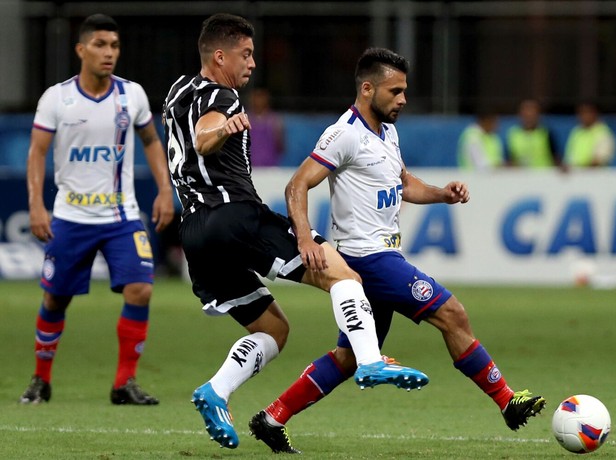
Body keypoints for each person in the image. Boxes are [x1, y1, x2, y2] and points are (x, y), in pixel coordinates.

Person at [248, 48, 546, 454]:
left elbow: (403, 182)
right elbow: (297, 185)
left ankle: (272, 417)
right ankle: (507, 400)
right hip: (367, 261)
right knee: (452, 313)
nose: (403, 99)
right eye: (396, 91)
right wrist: (304, 238)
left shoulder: (387, 130)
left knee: (348, 358)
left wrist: (442, 194)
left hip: (382, 257)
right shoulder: (344, 134)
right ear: (367, 88)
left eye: (405, 91)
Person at [162, 14, 427, 450]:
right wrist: (220, 130)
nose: (252, 63)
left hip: (193, 231)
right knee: (343, 276)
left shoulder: (177, 91)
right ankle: (370, 361)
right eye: (245, 54)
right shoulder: (223, 98)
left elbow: (189, 136)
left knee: (272, 329)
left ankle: (216, 391)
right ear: (219, 55)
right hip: (235, 217)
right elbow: (204, 134)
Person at [20, 14, 174, 405]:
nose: (109, 53)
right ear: (81, 50)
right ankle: (41, 380)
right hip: (71, 216)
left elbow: (152, 141)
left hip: (121, 215)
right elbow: (36, 154)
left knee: (141, 288)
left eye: (115, 46)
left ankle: (124, 383)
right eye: (101, 45)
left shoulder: (132, 95)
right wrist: (36, 206)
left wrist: (164, 190)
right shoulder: (57, 98)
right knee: (56, 299)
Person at [507, 99, 560, 167]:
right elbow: (510, 159)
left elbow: (555, 158)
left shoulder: (546, 133)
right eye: (526, 116)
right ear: (520, 115)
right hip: (519, 175)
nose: (529, 119)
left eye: (532, 115)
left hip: (543, 174)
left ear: (538, 115)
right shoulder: (512, 133)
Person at [563, 102, 616, 167]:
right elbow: (569, 158)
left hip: (596, 175)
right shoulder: (576, 131)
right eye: (581, 113)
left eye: (587, 112)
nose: (583, 116)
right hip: (576, 175)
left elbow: (600, 159)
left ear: (595, 113)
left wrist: (581, 169)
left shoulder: (603, 132)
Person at [246, 87, 285, 166]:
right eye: (256, 97)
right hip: (250, 166)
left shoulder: (274, 120)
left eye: (261, 97)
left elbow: (280, 145)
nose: (258, 101)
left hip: (269, 167)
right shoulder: (245, 119)